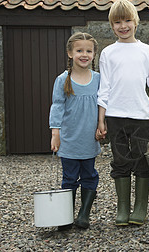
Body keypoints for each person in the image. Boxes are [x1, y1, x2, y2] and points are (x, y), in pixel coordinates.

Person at [96, 0, 149, 226]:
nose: (123, 26)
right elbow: (104, 89)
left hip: (140, 116)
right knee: (120, 161)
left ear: (135, 22)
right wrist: (101, 120)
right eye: (117, 22)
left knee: (141, 160)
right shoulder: (108, 53)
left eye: (127, 20)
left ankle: (140, 208)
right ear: (112, 25)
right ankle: (123, 208)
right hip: (115, 116)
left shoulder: (146, 51)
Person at [49, 32, 101, 230]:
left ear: (94, 54)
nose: (84, 54)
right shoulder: (63, 79)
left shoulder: (98, 79)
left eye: (89, 50)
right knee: (69, 178)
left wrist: (101, 125)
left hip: (89, 138)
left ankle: (84, 215)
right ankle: (64, 216)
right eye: (79, 50)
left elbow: (103, 105)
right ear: (70, 53)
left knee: (89, 175)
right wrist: (56, 132)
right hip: (69, 139)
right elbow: (57, 106)